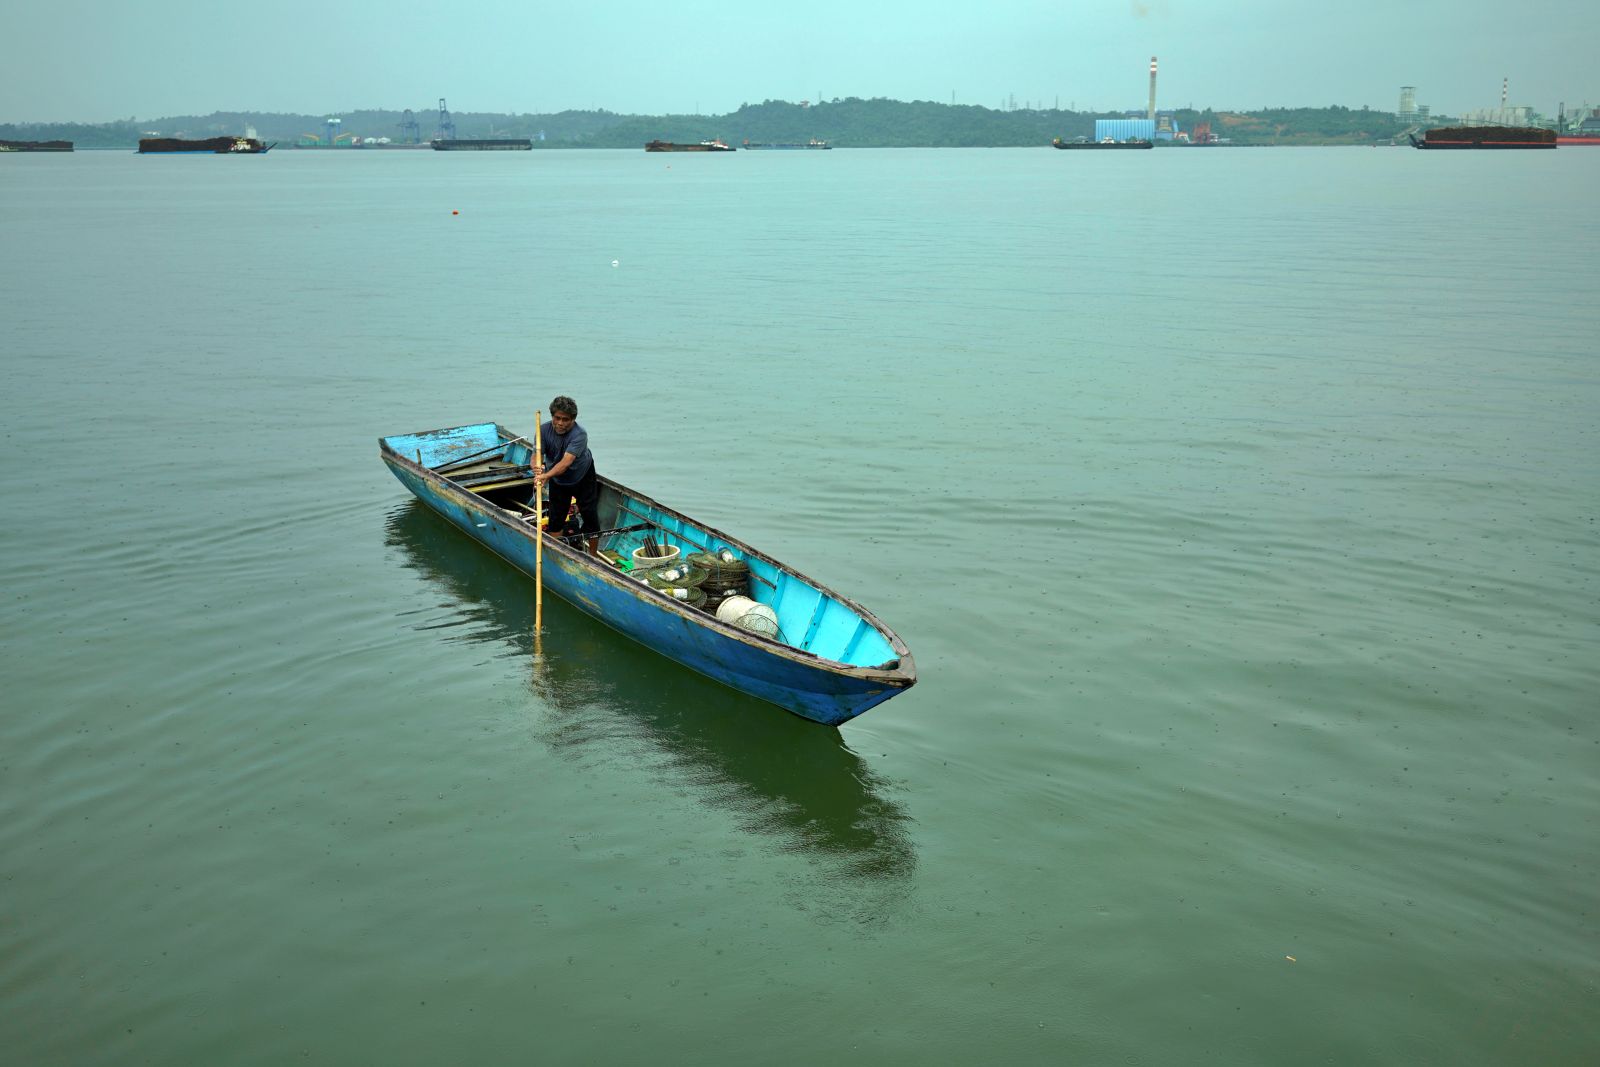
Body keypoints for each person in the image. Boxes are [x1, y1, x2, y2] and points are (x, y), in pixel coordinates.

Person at [533, 396, 600, 556]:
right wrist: (537, 469)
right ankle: (558, 554)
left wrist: (546, 475)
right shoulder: (542, 430)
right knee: (555, 519)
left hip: (582, 476)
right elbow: (536, 455)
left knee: (590, 516)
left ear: (573, 420)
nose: (560, 423)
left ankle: (593, 555)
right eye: (557, 418)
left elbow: (565, 463)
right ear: (552, 417)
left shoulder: (580, 434)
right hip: (558, 479)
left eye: (565, 420)